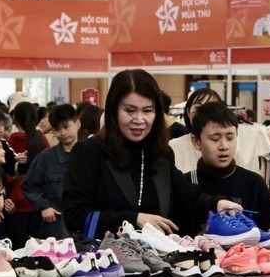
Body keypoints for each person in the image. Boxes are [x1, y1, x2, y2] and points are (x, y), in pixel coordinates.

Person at [63, 69, 243, 238]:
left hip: (158, 264)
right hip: (105, 263)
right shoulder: (88, 152)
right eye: (130, 110)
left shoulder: (161, 154)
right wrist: (133, 220)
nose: (139, 120)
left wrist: (217, 204)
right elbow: (75, 215)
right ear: (113, 110)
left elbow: (188, 196)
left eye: (147, 110)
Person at [185, 102, 270, 233]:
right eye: (215, 139)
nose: (224, 146)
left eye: (230, 137)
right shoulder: (186, 184)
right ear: (196, 142)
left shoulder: (254, 183)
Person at [22, 103, 80, 239]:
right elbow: (28, 185)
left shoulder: (91, 156)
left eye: (66, 127)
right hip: (55, 228)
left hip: (85, 226)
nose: (63, 133)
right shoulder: (45, 158)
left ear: (77, 124)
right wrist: (44, 206)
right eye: (57, 129)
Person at [7, 101, 50, 246]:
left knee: (18, 247)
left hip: (16, 202)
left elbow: (7, 174)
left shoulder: (12, 141)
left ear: (15, 119)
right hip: (39, 201)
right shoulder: (41, 139)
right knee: (38, 247)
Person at [168, 87, 223, 173]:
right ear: (188, 112)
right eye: (198, 109)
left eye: (211, 109)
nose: (204, 114)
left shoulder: (228, 147)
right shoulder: (173, 147)